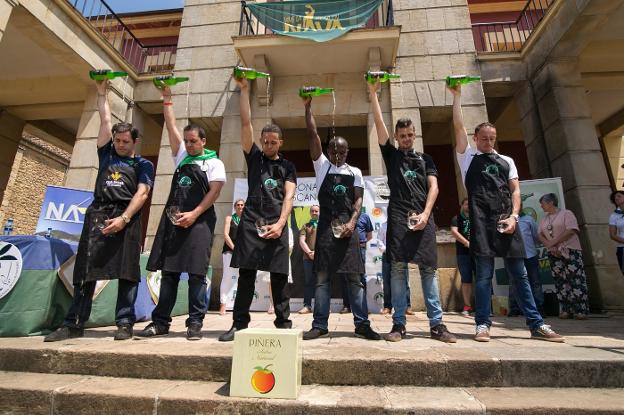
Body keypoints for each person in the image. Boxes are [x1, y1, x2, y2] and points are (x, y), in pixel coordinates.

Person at [449, 83, 563, 343]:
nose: (488, 141)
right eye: (484, 138)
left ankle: (536, 324)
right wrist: (456, 97)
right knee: (484, 277)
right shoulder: (467, 158)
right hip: (481, 224)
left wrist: (513, 216)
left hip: (507, 222)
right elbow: (457, 127)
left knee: (519, 275)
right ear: (476, 139)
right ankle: (482, 325)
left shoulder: (507, 161)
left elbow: (515, 191)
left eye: (492, 138)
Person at [44, 78, 154, 342]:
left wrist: (124, 219)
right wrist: (102, 94)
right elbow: (105, 121)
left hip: (127, 217)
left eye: (125, 141)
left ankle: (124, 323)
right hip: (98, 215)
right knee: (85, 270)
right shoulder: (106, 154)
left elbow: (142, 193)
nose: (120, 144)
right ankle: (74, 323)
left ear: (134, 142)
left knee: (127, 273)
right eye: (117, 140)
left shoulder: (143, 165)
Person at [368, 80, 455, 343]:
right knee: (396, 269)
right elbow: (380, 127)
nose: (406, 139)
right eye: (402, 136)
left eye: (409, 135)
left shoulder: (425, 160)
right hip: (398, 218)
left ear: (414, 135)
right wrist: (373, 94)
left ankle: (437, 325)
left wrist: (426, 215)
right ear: (397, 137)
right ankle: (398, 325)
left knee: (428, 270)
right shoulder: (392, 156)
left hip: (424, 219)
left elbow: (435, 187)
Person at [137, 83, 225, 341]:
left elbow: (215, 192)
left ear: (203, 141)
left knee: (197, 275)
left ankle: (195, 323)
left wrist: (195, 214)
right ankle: (160, 322)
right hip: (174, 223)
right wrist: (167, 98)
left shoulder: (214, 163)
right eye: (186, 141)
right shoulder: (182, 157)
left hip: (200, 224)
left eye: (193, 141)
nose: (188, 145)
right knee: (170, 274)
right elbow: (171, 126)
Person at [218, 75, 296, 342]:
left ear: (281, 143)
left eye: (274, 142)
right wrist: (244, 90)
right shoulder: (254, 159)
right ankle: (239, 324)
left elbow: (289, 196)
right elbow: (246, 122)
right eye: (266, 142)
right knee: (247, 276)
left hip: (277, 223)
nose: (269, 145)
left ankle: (283, 324)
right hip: (251, 223)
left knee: (278, 277)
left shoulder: (287, 167)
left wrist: (281, 223)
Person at [301, 95, 380, 341]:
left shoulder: (354, 171)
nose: (339, 154)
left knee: (355, 280)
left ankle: (362, 324)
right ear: (328, 151)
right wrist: (308, 107)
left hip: (349, 229)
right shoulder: (322, 166)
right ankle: (320, 324)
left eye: (343, 151)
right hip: (326, 229)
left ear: (348, 151)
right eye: (335, 150)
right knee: (323, 280)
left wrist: (352, 223)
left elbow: (358, 199)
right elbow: (313, 135)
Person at [538, 193, 590, 319]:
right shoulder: (544, 219)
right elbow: (540, 234)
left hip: (570, 250)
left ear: (551, 203)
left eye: (543, 203)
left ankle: (580, 310)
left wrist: (554, 242)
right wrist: (551, 247)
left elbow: (572, 230)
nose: (541, 206)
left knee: (576, 279)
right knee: (560, 281)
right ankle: (566, 309)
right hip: (554, 253)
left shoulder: (567, 213)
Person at [508, 207, 544, 316]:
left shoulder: (528, 219)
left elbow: (536, 235)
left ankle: (539, 308)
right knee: (514, 282)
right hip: (514, 256)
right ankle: (515, 308)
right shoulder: (505, 220)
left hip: (530, 254)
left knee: (535, 282)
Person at [341, 208, 373, 314]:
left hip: (360, 248)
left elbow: (370, 235)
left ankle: (363, 307)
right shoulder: (344, 216)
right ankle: (347, 306)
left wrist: (361, 243)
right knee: (345, 276)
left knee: (361, 277)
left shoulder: (365, 216)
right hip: (346, 248)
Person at [377, 220, 412, 315]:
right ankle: (387, 306)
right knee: (387, 281)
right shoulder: (383, 226)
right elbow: (379, 240)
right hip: (387, 255)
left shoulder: (402, 224)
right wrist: (387, 250)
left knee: (404, 280)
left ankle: (407, 306)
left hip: (400, 255)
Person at [219, 199, 245, 315]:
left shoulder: (247, 220)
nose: (240, 207)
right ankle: (223, 305)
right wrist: (234, 248)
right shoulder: (229, 218)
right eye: (238, 205)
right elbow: (225, 235)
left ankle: (240, 307)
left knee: (244, 279)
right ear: (235, 207)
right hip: (230, 251)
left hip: (243, 253)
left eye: (242, 205)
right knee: (227, 277)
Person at [450, 198, 474, 316]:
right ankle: (467, 306)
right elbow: (454, 232)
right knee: (466, 279)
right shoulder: (456, 218)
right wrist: (466, 242)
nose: (468, 206)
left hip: (478, 253)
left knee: (482, 278)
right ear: (462, 205)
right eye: (466, 204)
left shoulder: (477, 217)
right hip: (463, 253)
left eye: (470, 204)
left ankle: (485, 307)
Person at [299, 205, 320, 314]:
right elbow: (302, 241)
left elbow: (326, 242)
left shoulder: (324, 225)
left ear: (319, 212)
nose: (314, 213)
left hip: (321, 259)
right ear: (310, 213)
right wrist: (309, 252)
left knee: (321, 282)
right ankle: (307, 306)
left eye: (316, 211)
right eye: (312, 211)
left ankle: (321, 307)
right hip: (308, 258)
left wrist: (317, 253)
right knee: (308, 282)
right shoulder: (305, 225)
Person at [608, 190, 624, 275]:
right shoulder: (614, 216)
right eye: (615, 198)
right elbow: (612, 235)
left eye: (619, 196)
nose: (616, 198)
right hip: (622, 248)